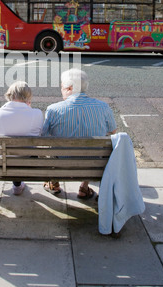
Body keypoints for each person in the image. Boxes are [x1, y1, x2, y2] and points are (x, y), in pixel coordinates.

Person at [42, 68, 117, 198]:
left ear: (69, 88)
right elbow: (113, 131)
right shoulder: (103, 107)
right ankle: (84, 187)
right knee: (95, 147)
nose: (61, 90)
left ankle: (54, 183)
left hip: (61, 164)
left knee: (51, 145)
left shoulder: (53, 109)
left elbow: (42, 136)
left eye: (62, 87)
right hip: (92, 166)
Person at [0, 81, 43, 195]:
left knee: (3, 152)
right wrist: (29, 110)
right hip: (27, 163)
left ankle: (17, 185)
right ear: (28, 97)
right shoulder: (37, 114)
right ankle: (17, 185)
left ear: (9, 95)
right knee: (22, 152)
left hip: (0, 163)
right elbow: (39, 135)